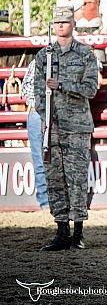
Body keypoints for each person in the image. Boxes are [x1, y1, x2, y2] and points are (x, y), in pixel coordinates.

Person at [34, 6, 98, 251]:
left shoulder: (84, 53)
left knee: (77, 180)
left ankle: (78, 232)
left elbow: (90, 88)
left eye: (65, 22)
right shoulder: (44, 56)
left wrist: (62, 85)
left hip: (77, 128)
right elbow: (38, 91)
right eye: (57, 22)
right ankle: (61, 230)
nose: (61, 26)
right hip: (53, 127)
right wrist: (44, 116)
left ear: (73, 24)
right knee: (55, 180)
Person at [21, 59, 49, 211]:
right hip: (40, 113)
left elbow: (26, 90)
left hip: (41, 113)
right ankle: (46, 203)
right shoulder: (38, 62)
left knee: (44, 162)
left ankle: (48, 203)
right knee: (41, 162)